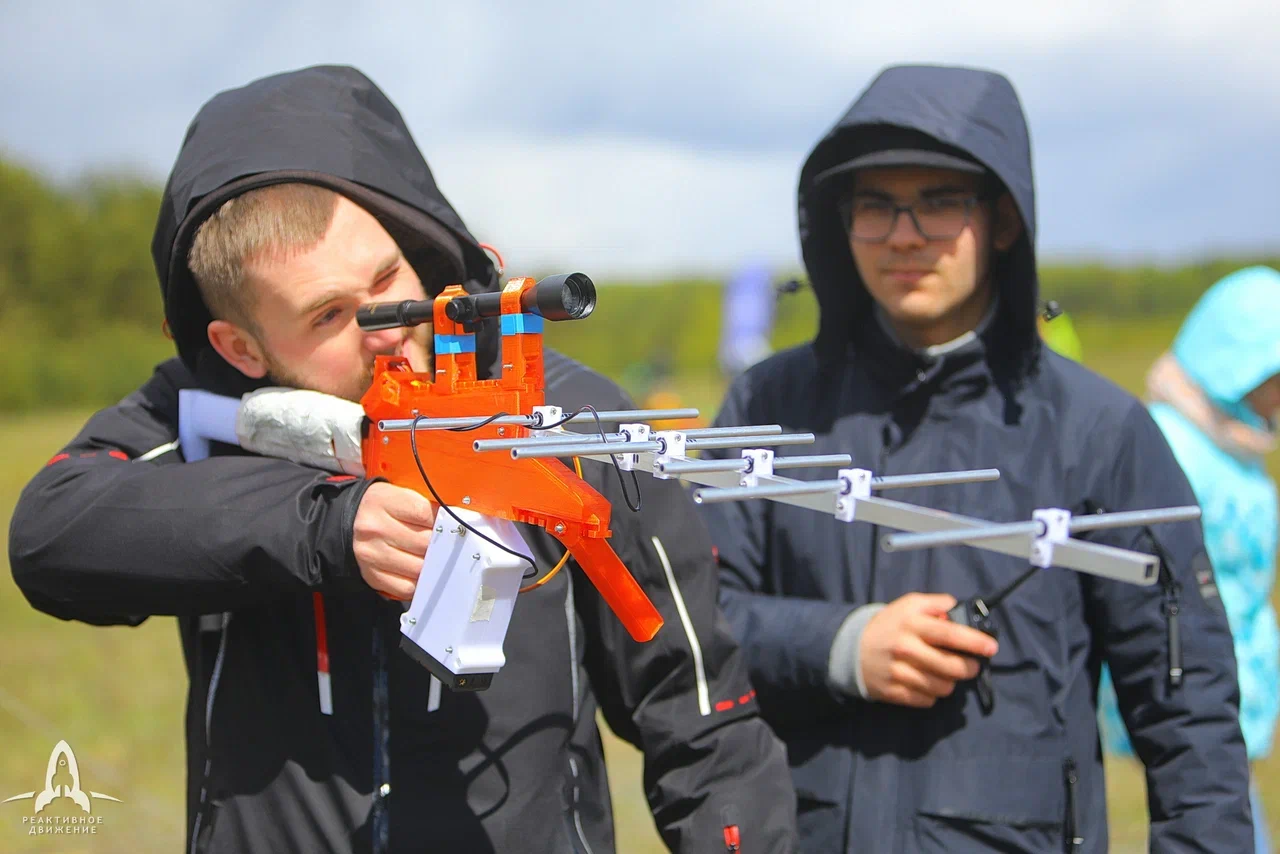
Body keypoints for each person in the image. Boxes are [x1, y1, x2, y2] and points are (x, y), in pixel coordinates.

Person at [8, 65, 798, 854]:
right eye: (328, 315)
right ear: (239, 348)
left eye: (388, 278)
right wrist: (323, 526)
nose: (387, 327)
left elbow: (702, 723)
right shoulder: (196, 412)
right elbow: (51, 532)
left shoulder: (568, 417)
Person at [695, 63, 1253, 852]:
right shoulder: (766, 408)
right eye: (875, 205)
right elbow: (692, 625)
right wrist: (840, 647)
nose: (904, 235)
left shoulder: (1099, 432)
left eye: (938, 201)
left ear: (1003, 219)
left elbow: (1188, 718)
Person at [1098, 264, 1280, 852]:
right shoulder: (1171, 444)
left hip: (1234, 691)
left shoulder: (1239, 440)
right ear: (1234, 362)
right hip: (1188, 697)